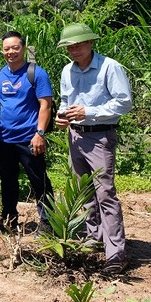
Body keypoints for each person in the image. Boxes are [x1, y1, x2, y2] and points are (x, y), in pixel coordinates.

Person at [55, 23, 132, 274]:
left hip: (100, 137)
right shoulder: (68, 70)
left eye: (78, 45)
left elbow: (124, 102)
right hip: (75, 136)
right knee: (84, 192)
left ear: (90, 43)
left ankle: (116, 253)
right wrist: (62, 115)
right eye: (69, 46)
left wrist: (89, 112)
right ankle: (93, 239)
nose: (74, 50)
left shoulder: (110, 67)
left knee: (105, 194)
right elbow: (66, 100)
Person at [0, 31, 54, 232]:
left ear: (23, 48)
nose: (11, 52)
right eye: (7, 49)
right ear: (2, 51)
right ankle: (9, 219)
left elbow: (46, 105)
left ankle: (48, 222)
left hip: (29, 138)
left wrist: (39, 133)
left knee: (38, 180)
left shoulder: (36, 73)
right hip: (4, 138)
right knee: (7, 180)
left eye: (15, 47)